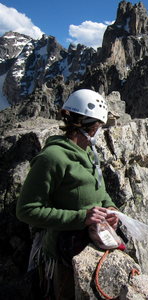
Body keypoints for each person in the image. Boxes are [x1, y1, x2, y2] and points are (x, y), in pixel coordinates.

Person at [16, 89, 119, 300]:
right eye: (99, 126)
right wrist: (81, 218)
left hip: (88, 240)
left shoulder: (87, 152)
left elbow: (99, 189)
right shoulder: (52, 158)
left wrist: (110, 208)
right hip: (63, 254)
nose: (100, 131)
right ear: (89, 127)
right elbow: (26, 210)